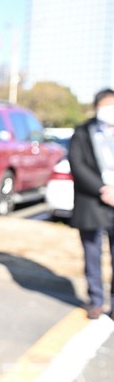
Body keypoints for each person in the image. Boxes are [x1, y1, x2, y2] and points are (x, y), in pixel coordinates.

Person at [69, 88, 114, 319]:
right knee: (92, 253)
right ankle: (96, 300)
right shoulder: (83, 132)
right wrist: (102, 189)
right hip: (92, 201)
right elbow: (76, 164)